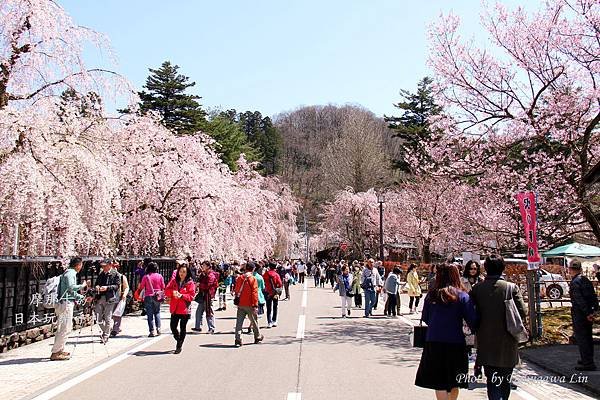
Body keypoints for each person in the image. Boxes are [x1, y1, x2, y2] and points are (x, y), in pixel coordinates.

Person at [415, 264, 477, 400]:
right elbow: (472, 320)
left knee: (439, 381)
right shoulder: (462, 296)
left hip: (434, 341)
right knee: (455, 380)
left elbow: (425, 317)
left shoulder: (432, 295)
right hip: (456, 342)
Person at [470, 254, 527, 400]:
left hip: (486, 341)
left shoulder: (477, 289)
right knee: (505, 379)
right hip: (508, 341)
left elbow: (470, 314)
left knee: (492, 380)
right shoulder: (511, 288)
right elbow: (522, 312)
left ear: (485, 268)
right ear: (503, 268)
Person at [50, 257, 89, 361]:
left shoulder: (69, 273)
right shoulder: (71, 273)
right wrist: (82, 285)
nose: (81, 267)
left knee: (66, 327)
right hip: (65, 304)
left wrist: (82, 297)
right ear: (78, 265)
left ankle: (60, 350)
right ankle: (56, 352)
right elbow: (71, 288)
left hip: (66, 302)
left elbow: (71, 292)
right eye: (81, 265)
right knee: (64, 328)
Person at [568, 260, 599, 371]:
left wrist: (586, 313)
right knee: (588, 337)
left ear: (571, 269)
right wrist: (593, 311)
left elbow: (579, 300)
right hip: (588, 312)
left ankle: (588, 362)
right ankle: (586, 358)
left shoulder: (575, 282)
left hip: (580, 314)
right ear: (580, 269)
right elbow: (593, 296)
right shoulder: (585, 280)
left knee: (582, 338)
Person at [165, 263, 195, 353]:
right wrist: (172, 292)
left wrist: (182, 295)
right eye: (180, 271)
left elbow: (191, 296)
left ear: (187, 273)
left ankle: (179, 345)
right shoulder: (174, 281)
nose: (182, 273)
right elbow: (166, 290)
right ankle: (178, 339)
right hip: (175, 308)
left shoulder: (190, 283)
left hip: (184, 309)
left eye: (184, 272)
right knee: (173, 327)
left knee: (183, 327)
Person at [234, 263, 264, 347]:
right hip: (250, 304)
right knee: (254, 321)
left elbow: (236, 290)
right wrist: (255, 305)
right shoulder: (252, 279)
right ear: (253, 269)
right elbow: (254, 292)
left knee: (239, 323)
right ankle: (257, 336)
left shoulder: (240, 278)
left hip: (241, 304)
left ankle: (238, 339)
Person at [93, 259, 120, 343]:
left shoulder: (115, 274)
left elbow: (117, 286)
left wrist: (107, 288)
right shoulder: (101, 274)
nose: (103, 267)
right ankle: (107, 330)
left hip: (110, 298)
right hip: (100, 297)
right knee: (98, 318)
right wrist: (97, 286)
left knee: (107, 318)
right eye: (102, 266)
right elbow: (97, 283)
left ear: (110, 265)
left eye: (105, 266)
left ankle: (106, 335)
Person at [139, 262, 165, 337]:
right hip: (157, 296)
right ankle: (159, 328)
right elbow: (163, 286)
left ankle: (152, 331)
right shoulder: (159, 276)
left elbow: (141, 286)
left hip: (148, 296)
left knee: (149, 314)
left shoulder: (146, 276)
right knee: (157, 312)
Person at [192, 261, 218, 334]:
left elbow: (208, 286)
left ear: (208, 266)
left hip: (208, 296)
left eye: (204, 265)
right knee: (198, 312)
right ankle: (197, 327)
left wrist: (199, 285)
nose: (202, 267)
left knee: (209, 312)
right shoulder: (203, 274)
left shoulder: (211, 275)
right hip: (202, 295)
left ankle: (211, 328)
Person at [110, 260, 129, 337]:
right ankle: (115, 327)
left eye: (116, 267)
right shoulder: (108, 276)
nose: (115, 268)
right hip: (109, 297)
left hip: (119, 297)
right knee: (109, 314)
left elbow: (126, 287)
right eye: (113, 267)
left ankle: (115, 329)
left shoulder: (122, 277)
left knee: (117, 314)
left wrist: (124, 294)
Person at [263, 262, 283, 328]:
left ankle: (269, 322)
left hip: (267, 292)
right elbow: (280, 284)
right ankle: (274, 321)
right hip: (275, 293)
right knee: (275, 307)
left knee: (268, 308)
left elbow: (264, 283)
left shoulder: (265, 274)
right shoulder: (276, 275)